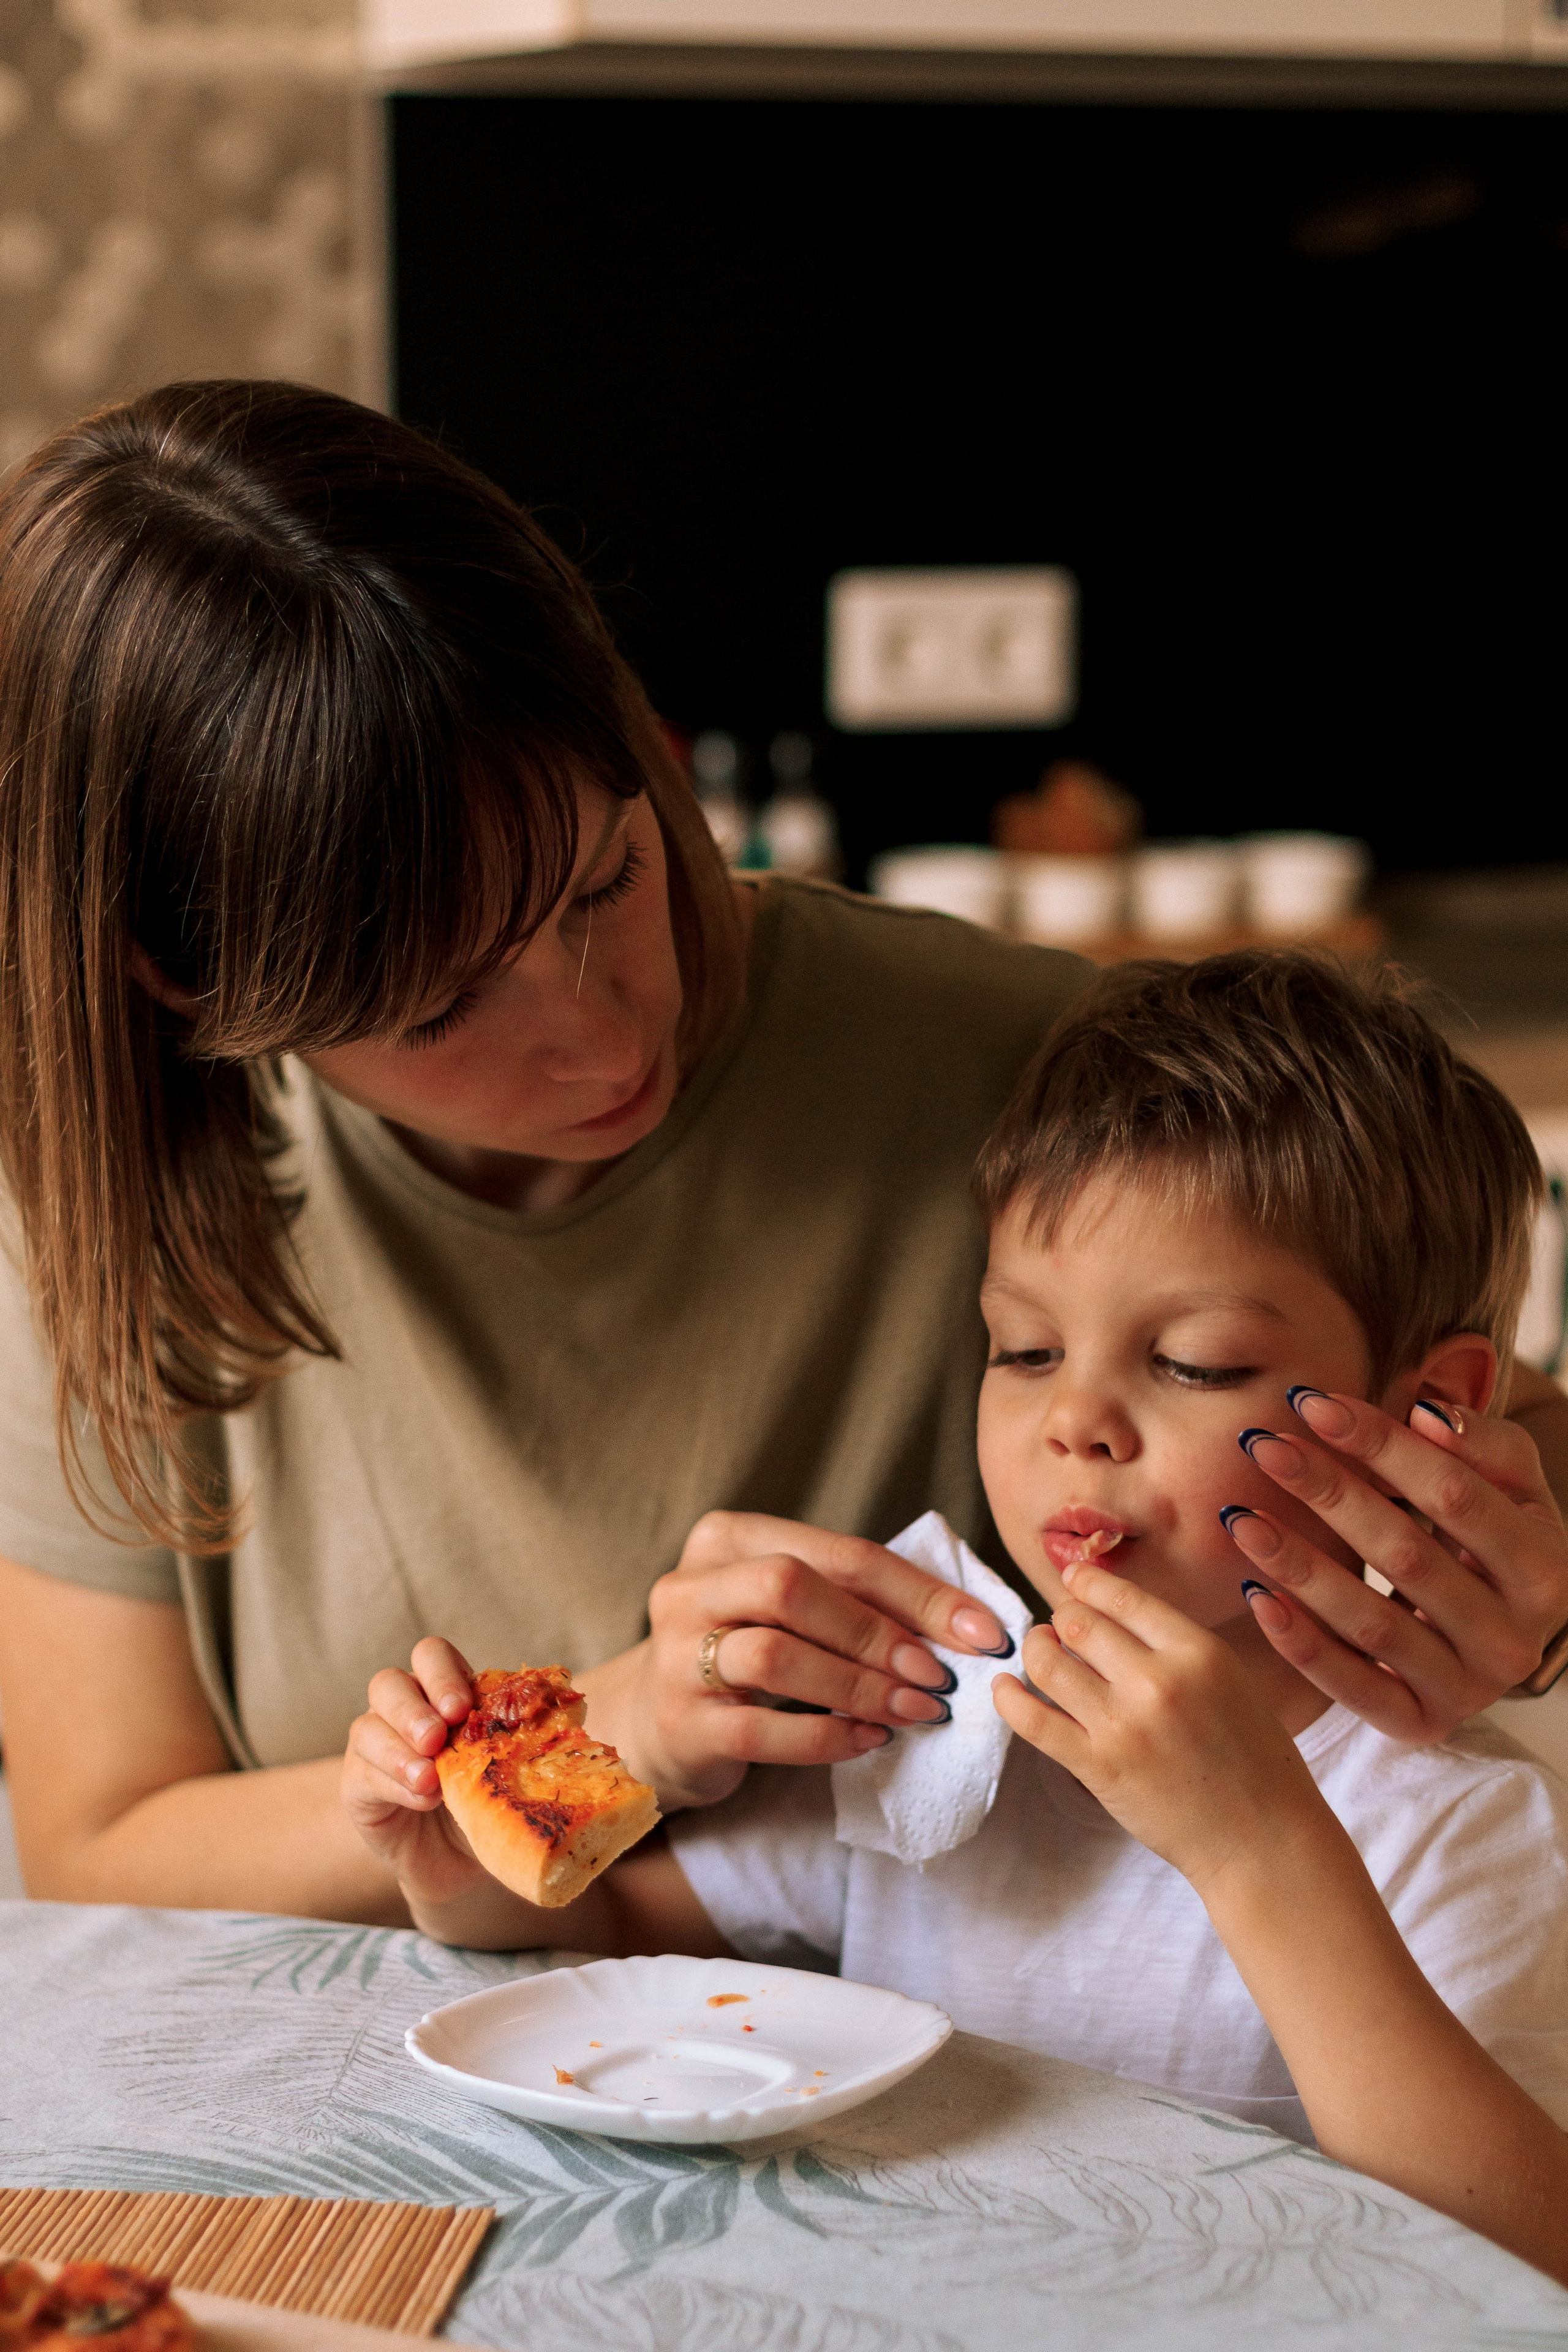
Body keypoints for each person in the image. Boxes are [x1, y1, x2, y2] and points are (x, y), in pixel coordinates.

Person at [1, 380, 1565, 1925]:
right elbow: (103, 1845)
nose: (612, 1037)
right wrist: (604, 1736)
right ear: (180, 983)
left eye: (605, 882)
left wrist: (1516, 1591)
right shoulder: (102, 1220)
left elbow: (1487, 1424)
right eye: (444, 1005)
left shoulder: (1019, 1069)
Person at [348, 952, 1568, 2287]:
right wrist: (468, 1871)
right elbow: (614, 1951)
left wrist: (1254, 1845)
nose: (1072, 1423)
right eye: (1022, 1349)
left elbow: (1515, 2256)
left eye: (1190, 1364)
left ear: (1426, 1406)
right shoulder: (949, 1740)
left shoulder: (1451, 1824)